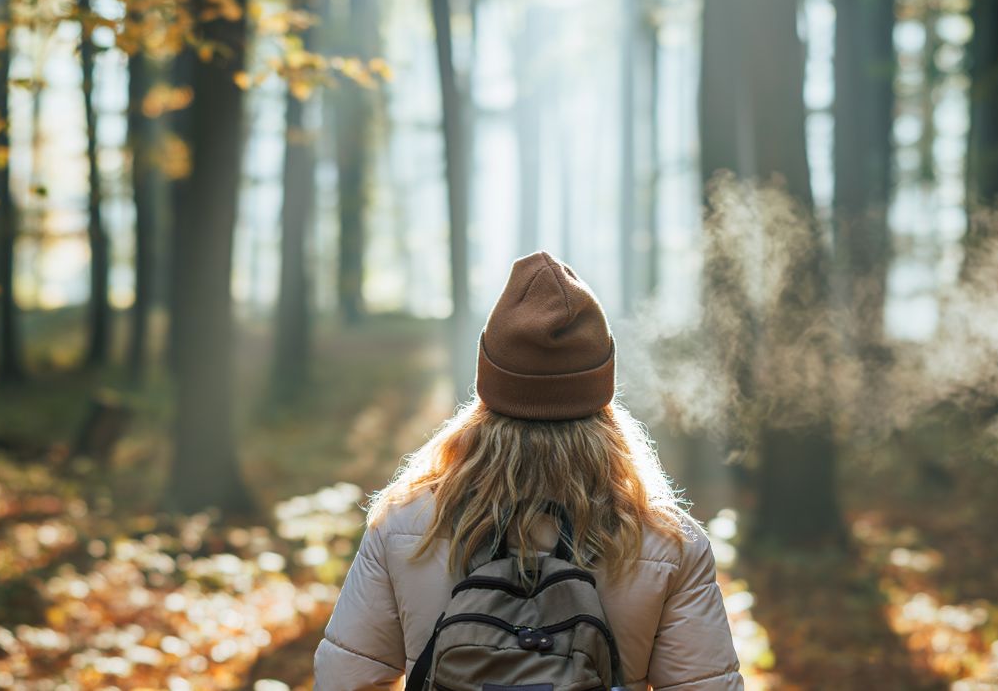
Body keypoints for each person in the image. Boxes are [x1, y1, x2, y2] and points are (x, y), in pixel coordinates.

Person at [313, 251, 744, 690]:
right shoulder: (667, 541)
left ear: (489, 385)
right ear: (602, 392)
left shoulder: (407, 523)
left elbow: (345, 679)